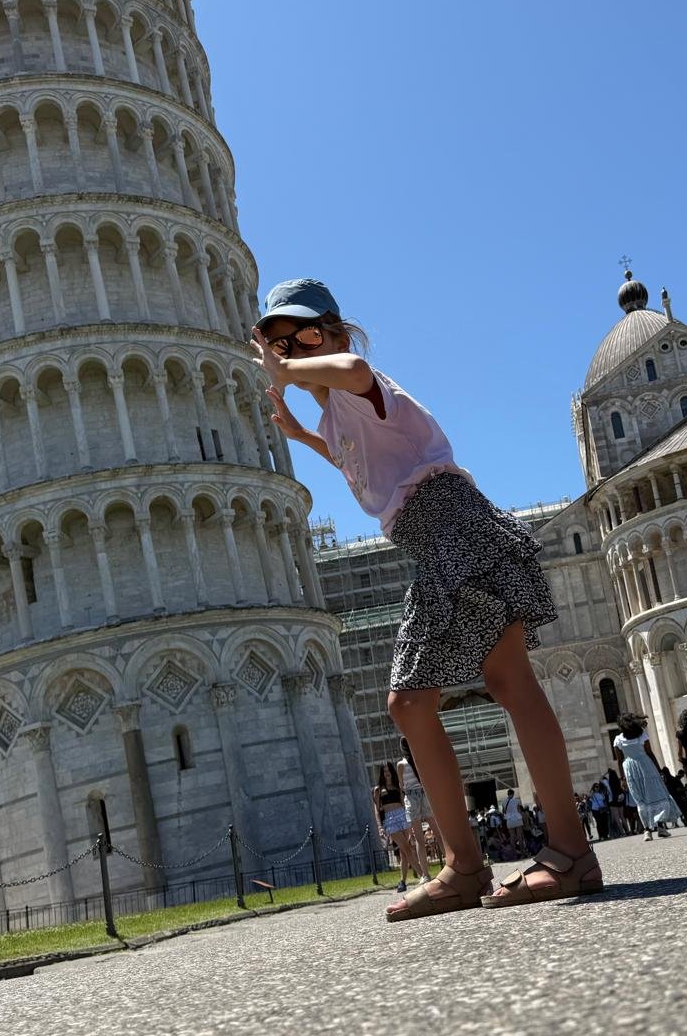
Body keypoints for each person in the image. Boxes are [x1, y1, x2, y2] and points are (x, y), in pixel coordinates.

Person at [252, 277, 601, 918]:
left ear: (335, 333)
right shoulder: (339, 415)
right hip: (437, 536)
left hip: (452, 524)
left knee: (477, 686)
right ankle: (476, 866)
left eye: (306, 336)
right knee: (435, 697)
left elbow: (354, 370)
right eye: (279, 343)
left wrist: (286, 373)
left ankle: (555, 856)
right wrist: (303, 437)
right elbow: (362, 465)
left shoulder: (359, 381)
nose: (293, 350)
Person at [612, 714, 676, 839]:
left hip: (630, 769)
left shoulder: (618, 740)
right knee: (655, 796)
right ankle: (660, 827)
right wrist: (659, 770)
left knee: (640, 799)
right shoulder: (642, 736)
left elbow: (620, 761)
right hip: (646, 766)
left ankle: (647, 830)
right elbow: (650, 753)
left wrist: (622, 778)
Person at [374, 761, 422, 890]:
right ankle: (423, 875)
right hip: (390, 820)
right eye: (384, 771)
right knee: (406, 848)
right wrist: (380, 826)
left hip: (402, 816)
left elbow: (403, 803)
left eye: (389, 770)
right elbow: (377, 810)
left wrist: (409, 821)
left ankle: (402, 882)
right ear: (381, 773)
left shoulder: (397, 786)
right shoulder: (378, 789)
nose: (387, 773)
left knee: (404, 852)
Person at [399, 737, 435, 877]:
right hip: (423, 793)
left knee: (419, 839)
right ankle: (452, 865)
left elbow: (401, 785)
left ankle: (425, 874)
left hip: (411, 796)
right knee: (437, 832)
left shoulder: (401, 764)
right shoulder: (418, 759)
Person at [502, 788, 527, 855]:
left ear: (507, 794)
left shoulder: (503, 802)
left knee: (512, 837)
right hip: (517, 819)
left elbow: (503, 812)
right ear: (513, 794)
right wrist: (523, 819)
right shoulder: (517, 801)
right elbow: (519, 810)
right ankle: (522, 853)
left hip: (509, 820)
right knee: (519, 836)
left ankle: (514, 853)